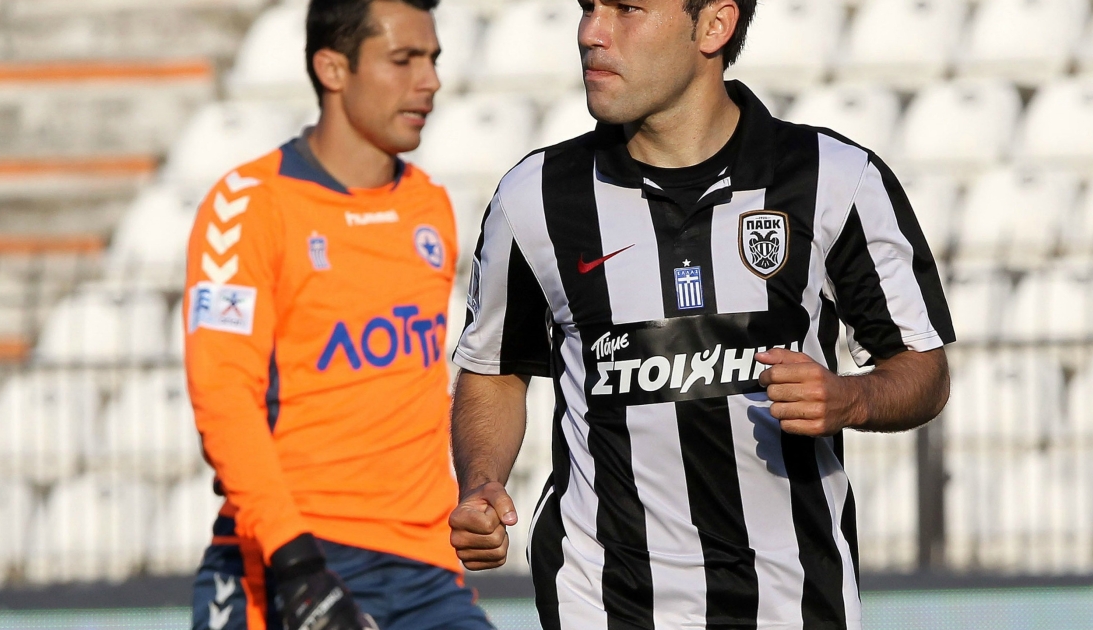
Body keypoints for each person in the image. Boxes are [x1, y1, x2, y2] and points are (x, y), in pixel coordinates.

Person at [448, 0, 954, 628]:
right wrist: (481, 482)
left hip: (793, 600)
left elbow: (923, 369)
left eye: (626, 9)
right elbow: (495, 367)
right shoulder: (535, 197)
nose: (591, 33)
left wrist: (851, 399)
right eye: (587, 8)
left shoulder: (836, 178)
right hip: (601, 600)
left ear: (714, 25)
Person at [184, 1, 491, 628]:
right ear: (332, 69)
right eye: (403, 60)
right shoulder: (248, 206)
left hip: (424, 573)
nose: (430, 81)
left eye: (433, 60)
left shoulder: (430, 204)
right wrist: (296, 563)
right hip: (293, 561)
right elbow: (224, 398)